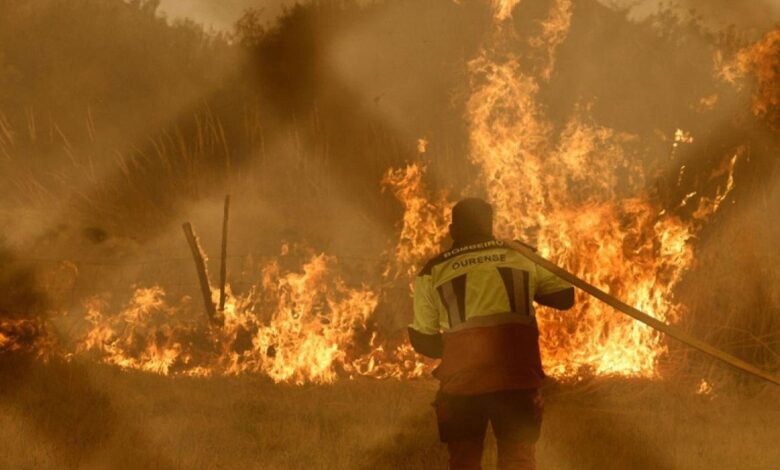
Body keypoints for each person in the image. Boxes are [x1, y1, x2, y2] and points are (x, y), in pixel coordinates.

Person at [408, 198, 575, 470]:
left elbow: (425, 341)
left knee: (464, 461)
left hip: (463, 383)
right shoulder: (521, 255)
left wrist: (459, 350)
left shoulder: (432, 270)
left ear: (453, 230)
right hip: (517, 378)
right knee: (518, 459)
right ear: (490, 226)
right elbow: (565, 297)